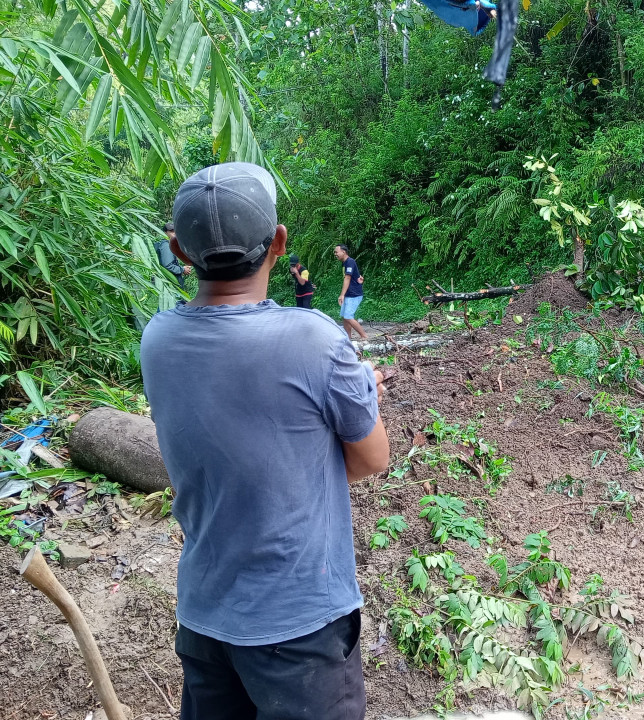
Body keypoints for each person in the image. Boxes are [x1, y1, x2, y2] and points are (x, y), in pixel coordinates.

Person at [140, 163, 389, 720]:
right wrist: (359, 393)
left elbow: (234, 443)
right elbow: (373, 459)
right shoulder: (315, 338)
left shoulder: (157, 340)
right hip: (299, 627)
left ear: (180, 252)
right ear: (279, 243)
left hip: (204, 618)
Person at [334, 244, 370, 341]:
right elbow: (356, 276)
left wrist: (341, 295)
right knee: (344, 317)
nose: (335, 254)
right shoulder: (345, 263)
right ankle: (348, 338)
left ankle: (364, 336)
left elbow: (348, 277)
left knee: (348, 316)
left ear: (343, 252)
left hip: (354, 294)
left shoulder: (350, 262)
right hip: (349, 294)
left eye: (336, 252)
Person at [156, 222, 193, 289]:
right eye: (171, 231)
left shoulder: (168, 244)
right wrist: (182, 269)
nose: (174, 233)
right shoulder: (166, 246)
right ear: (165, 232)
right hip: (171, 283)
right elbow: (168, 265)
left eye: (176, 230)